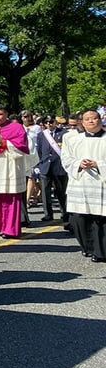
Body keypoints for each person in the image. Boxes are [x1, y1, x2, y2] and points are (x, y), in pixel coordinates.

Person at [61, 108, 105, 261]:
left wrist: (98, 164)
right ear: (82, 122)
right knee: (80, 219)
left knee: (100, 220)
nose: (91, 121)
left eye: (94, 118)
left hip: (101, 185)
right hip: (80, 184)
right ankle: (89, 248)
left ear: (100, 120)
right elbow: (65, 159)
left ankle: (101, 251)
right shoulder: (73, 140)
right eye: (87, 119)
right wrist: (78, 163)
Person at [0, 104, 30, 239]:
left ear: (6, 114)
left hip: (10, 168)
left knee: (10, 200)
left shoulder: (17, 127)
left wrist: (4, 142)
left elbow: (22, 148)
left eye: (0, 114)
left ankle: (10, 229)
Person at [35, 115, 69, 222]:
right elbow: (40, 151)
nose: (49, 124)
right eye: (46, 122)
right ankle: (48, 214)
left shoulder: (63, 133)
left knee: (61, 191)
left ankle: (64, 212)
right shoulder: (41, 135)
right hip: (45, 166)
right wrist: (39, 165)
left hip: (59, 166)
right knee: (45, 192)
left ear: (55, 122)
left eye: (51, 122)